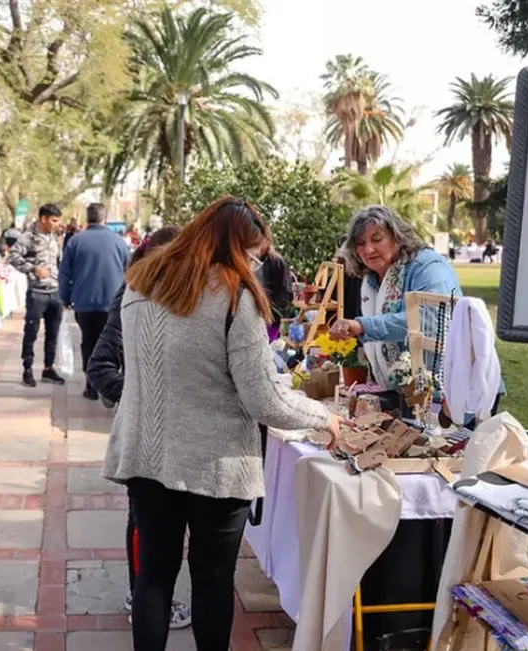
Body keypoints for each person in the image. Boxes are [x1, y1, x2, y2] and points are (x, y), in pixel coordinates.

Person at [103, 197, 342, 651]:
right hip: (216, 464)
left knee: (154, 575)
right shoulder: (234, 296)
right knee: (212, 581)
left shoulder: (140, 283)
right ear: (233, 248)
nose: (255, 263)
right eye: (252, 253)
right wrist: (323, 416)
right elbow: (264, 400)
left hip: (147, 455)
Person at [85, 225, 191, 630]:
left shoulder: (194, 299)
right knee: (142, 521)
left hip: (182, 437)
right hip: (144, 438)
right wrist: (137, 398)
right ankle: (138, 594)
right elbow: (99, 366)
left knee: (165, 526)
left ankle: (151, 595)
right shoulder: (131, 295)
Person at [330, 205, 462, 391]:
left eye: (377, 239)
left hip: (450, 390)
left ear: (398, 237)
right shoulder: (371, 278)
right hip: (403, 392)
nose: (368, 250)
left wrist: (363, 326)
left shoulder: (429, 266)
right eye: (360, 243)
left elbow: (432, 321)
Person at [58, 203, 130, 400]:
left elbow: (65, 272)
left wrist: (64, 297)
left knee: (88, 342)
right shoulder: (120, 242)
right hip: (112, 303)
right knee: (112, 344)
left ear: (87, 219)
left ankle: (91, 386)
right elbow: (130, 272)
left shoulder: (75, 242)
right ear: (104, 219)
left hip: (84, 302)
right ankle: (110, 384)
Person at [8, 203, 66, 388]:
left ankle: (48, 368)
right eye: (54, 220)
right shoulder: (29, 236)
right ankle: (27, 368)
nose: (58, 224)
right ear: (43, 219)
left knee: (53, 333)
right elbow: (13, 257)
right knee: (31, 332)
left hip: (55, 292)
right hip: (37, 293)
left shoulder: (54, 236)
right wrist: (33, 269)